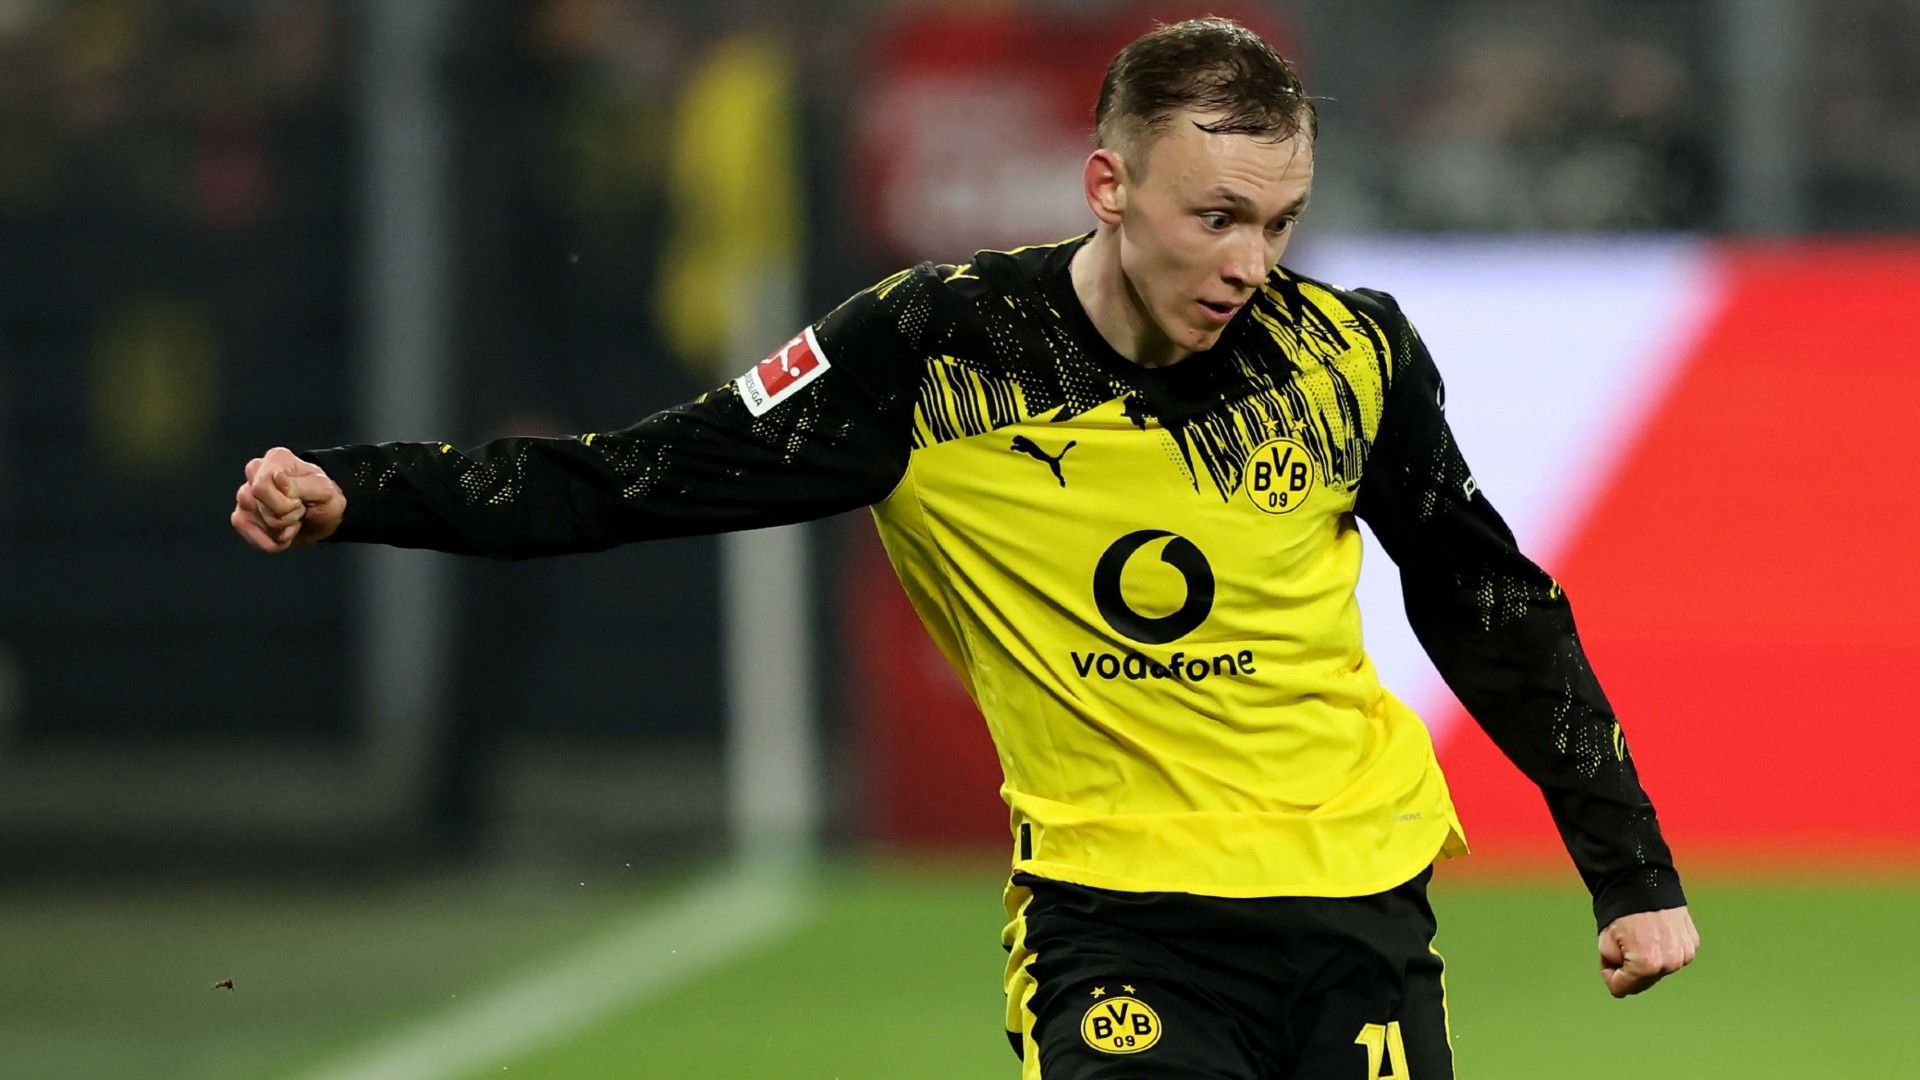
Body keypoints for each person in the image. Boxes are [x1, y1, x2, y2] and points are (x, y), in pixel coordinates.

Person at [231, 18, 1697, 1079]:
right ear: (1108, 188)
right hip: (1120, 925)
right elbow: (636, 478)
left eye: (1281, 221)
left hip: (1359, 905)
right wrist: (360, 490)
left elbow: (1484, 597)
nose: (1252, 263)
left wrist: (1626, 869)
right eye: (1218, 218)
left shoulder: (1349, 355)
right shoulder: (933, 351)